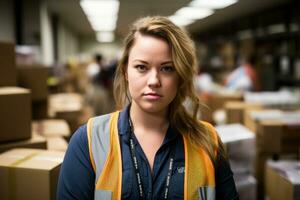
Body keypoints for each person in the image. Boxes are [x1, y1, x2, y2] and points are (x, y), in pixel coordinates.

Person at [57, 16, 239, 200]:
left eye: (167, 68)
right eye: (142, 67)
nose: (154, 81)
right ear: (125, 72)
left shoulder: (209, 142)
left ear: (180, 76)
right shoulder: (89, 141)